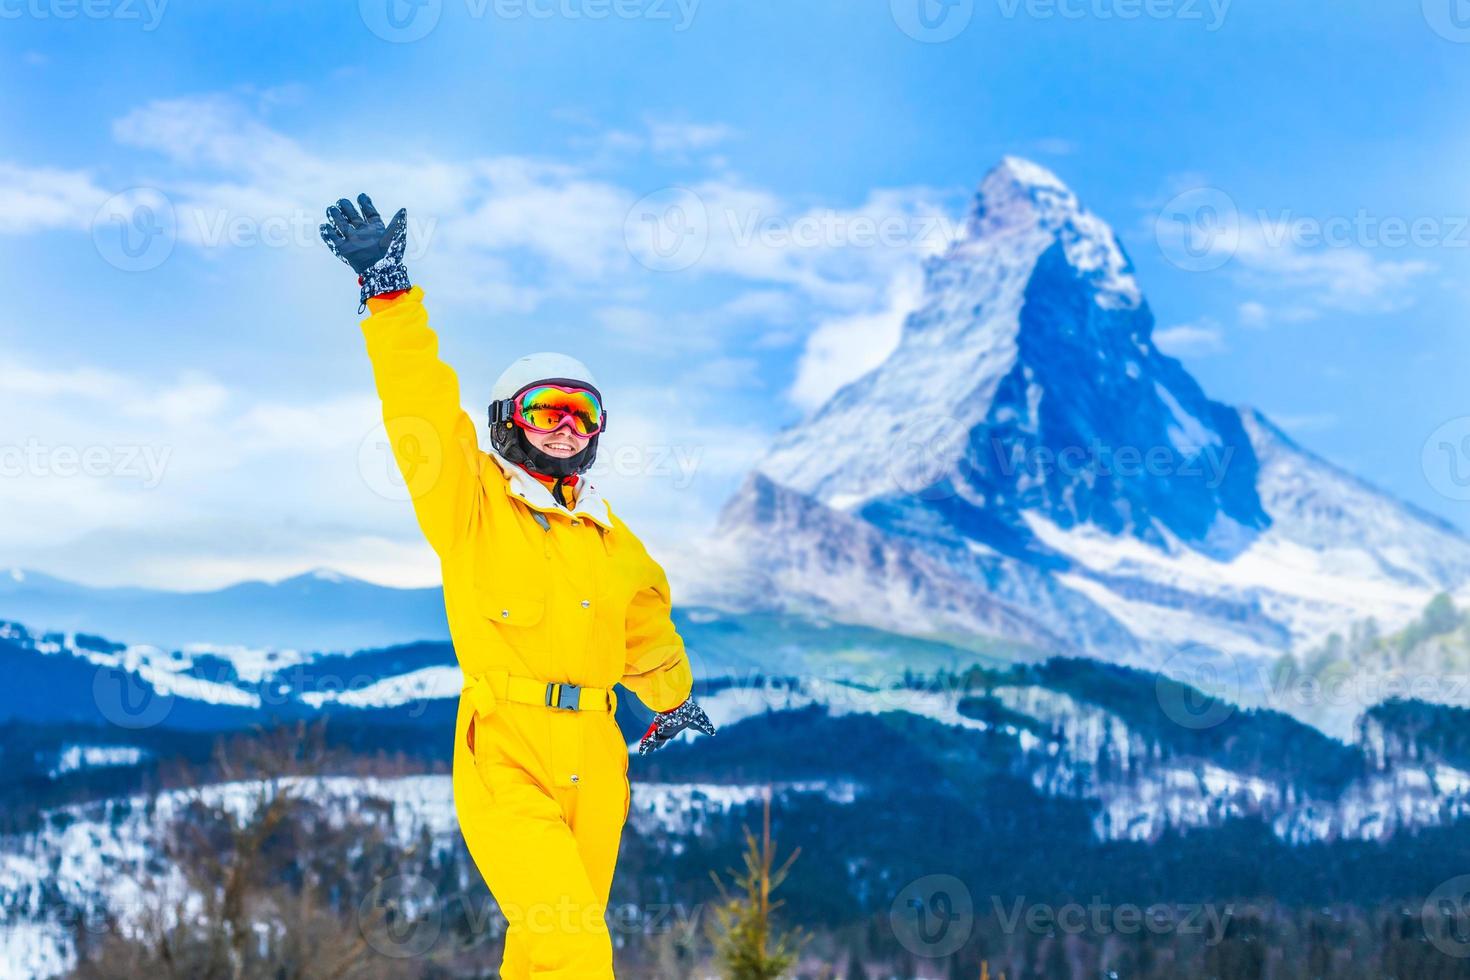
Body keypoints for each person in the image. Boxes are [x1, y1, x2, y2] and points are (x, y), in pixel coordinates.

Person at [320, 194, 717, 978]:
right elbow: (422, 411)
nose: (568, 426)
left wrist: (673, 700)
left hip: (600, 759)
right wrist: (389, 294)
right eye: (548, 410)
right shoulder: (469, 504)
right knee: (574, 944)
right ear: (507, 421)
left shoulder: (613, 536)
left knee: (544, 950)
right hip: (507, 751)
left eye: (584, 414)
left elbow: (644, 632)